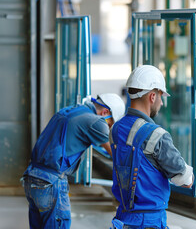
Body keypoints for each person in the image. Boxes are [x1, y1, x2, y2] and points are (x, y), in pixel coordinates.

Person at [22, 93, 125, 229]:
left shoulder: (70, 111)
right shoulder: (97, 122)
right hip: (51, 182)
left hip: (32, 178)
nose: (109, 128)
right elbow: (117, 154)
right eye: (110, 124)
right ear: (105, 112)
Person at [110, 65, 194, 229]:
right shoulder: (156, 135)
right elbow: (184, 178)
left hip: (123, 219)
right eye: (161, 97)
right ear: (152, 96)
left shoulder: (115, 129)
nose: (162, 103)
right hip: (149, 222)